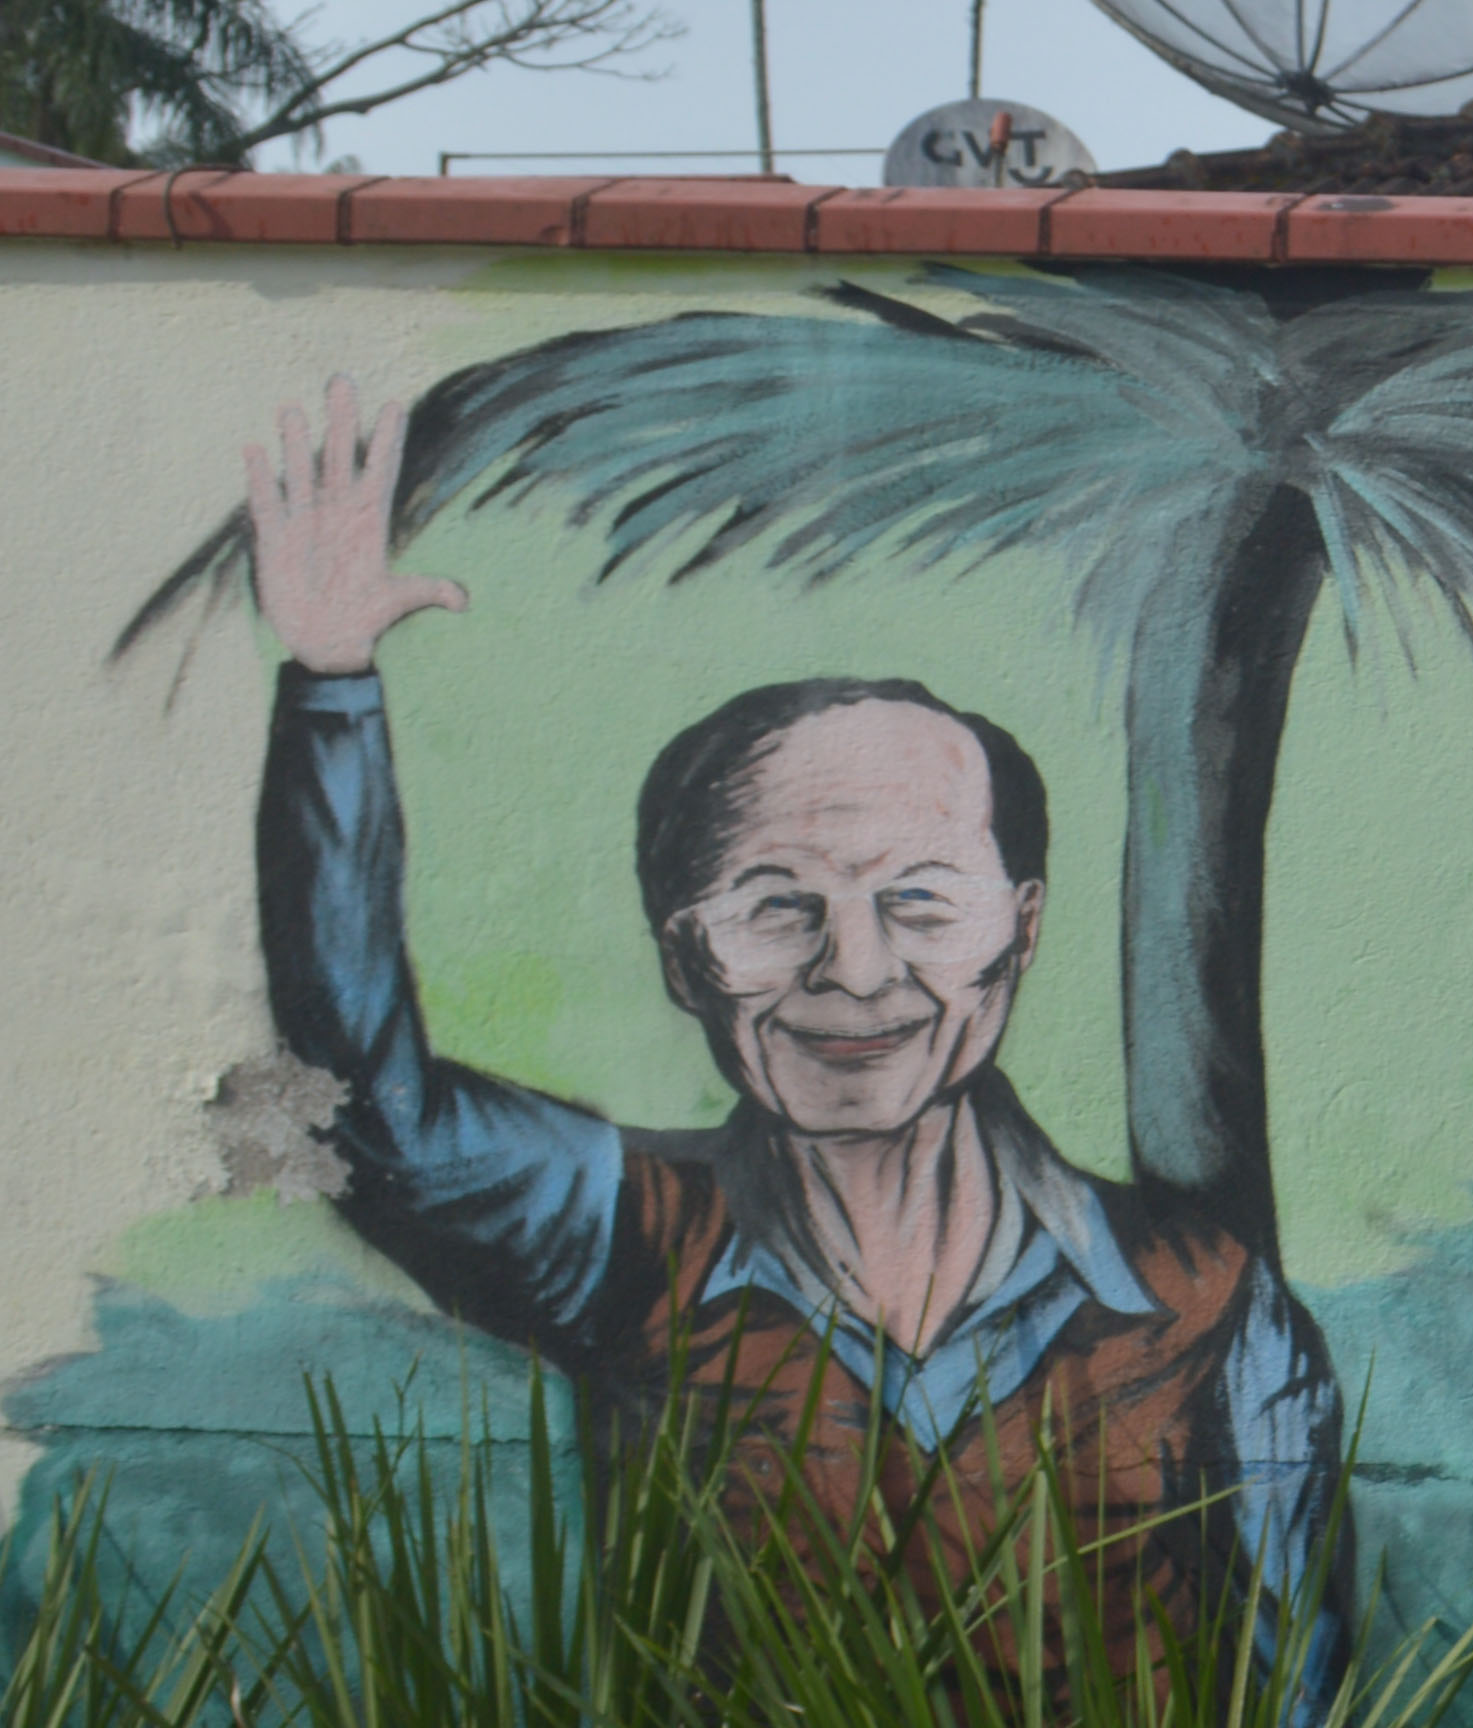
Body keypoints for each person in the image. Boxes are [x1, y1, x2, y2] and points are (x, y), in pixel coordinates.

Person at [252, 378, 1349, 1703]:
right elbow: (372, 1111)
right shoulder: (628, 1236)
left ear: (1022, 926)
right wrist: (330, 691)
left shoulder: (1209, 1303)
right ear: (684, 956)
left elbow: (1298, 1686)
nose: (857, 971)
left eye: (920, 902)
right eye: (778, 908)